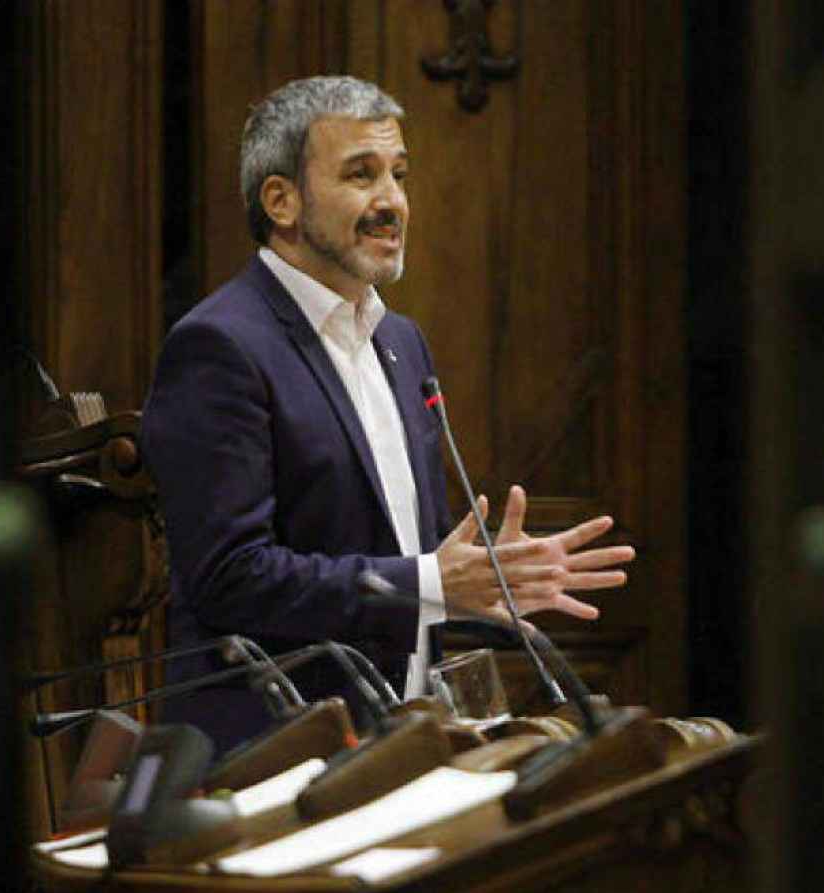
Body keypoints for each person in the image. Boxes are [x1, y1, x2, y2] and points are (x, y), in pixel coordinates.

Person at [140, 75, 634, 755]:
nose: (392, 202)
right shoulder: (221, 346)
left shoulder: (400, 342)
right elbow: (230, 577)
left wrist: (487, 583)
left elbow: (410, 556)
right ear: (281, 200)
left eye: (398, 175)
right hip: (269, 753)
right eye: (360, 175)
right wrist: (434, 580)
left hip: (401, 740)